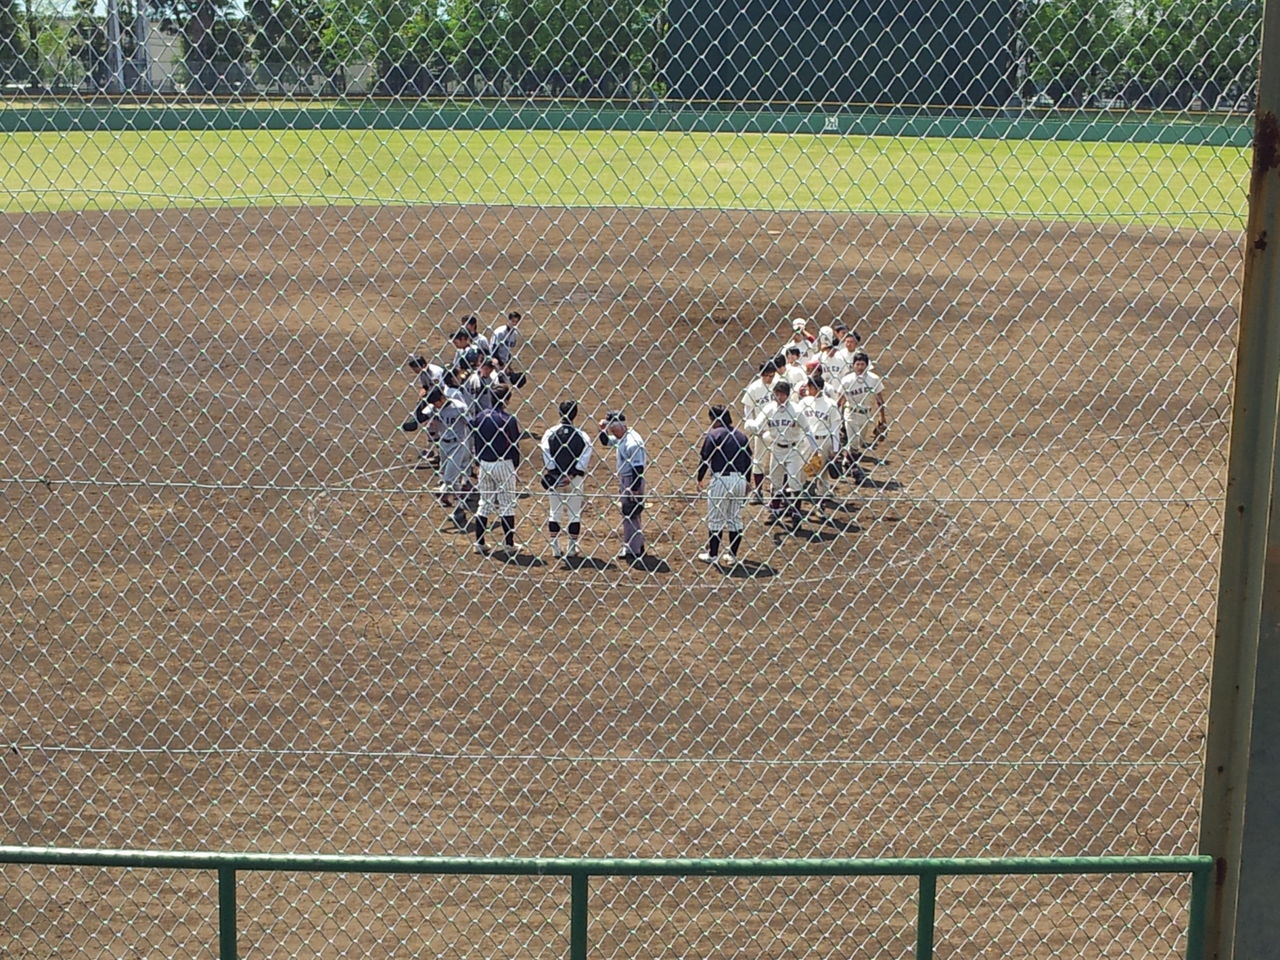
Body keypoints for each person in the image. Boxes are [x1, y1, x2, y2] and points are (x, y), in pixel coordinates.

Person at [746, 379, 819, 529]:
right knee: (775, 480)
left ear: (787, 395)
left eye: (782, 395)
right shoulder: (769, 409)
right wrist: (750, 425)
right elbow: (758, 425)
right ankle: (775, 509)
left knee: (794, 481)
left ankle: (796, 513)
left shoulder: (796, 411)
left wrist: (816, 450)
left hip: (793, 449)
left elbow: (807, 430)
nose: (779, 398)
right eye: (777, 394)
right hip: (777, 448)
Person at [695, 405, 752, 567]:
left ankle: (713, 555)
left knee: (716, 519)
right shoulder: (741, 436)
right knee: (734, 518)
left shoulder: (714, 434)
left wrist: (699, 478)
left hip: (721, 480)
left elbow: (705, 458)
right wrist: (748, 481)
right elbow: (748, 461)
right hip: (739, 479)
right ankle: (732, 555)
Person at [412, 386, 473, 530]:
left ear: (442, 398)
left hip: (458, 445)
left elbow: (472, 424)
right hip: (443, 446)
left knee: (449, 479)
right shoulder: (434, 407)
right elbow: (420, 417)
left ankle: (458, 506)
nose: (435, 406)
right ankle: (459, 504)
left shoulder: (459, 407)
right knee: (449, 478)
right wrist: (421, 402)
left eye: (436, 402)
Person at [540, 400, 593, 558]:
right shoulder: (582, 436)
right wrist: (571, 474)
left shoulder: (550, 433)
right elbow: (584, 460)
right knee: (574, 514)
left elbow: (546, 455)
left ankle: (555, 548)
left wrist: (556, 472)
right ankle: (571, 548)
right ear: (575, 415)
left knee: (554, 513)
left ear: (559, 413)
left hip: (555, 479)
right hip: (575, 480)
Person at [471, 398, 522, 556]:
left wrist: (479, 460)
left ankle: (479, 543)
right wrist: (515, 465)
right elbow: (515, 444)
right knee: (507, 503)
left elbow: (476, 439)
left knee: (484, 503)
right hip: (503, 463)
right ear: (506, 400)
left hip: (485, 462)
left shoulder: (480, 417)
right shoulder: (508, 419)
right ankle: (509, 544)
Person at [598, 410, 647, 561]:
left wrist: (634, 488)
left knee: (630, 513)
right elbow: (606, 442)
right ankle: (637, 545)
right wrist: (602, 431)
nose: (611, 432)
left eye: (612, 429)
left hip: (631, 479)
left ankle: (633, 550)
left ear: (619, 427)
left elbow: (638, 468)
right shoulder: (623, 437)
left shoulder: (632, 442)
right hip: (626, 479)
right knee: (631, 514)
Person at [837, 351, 887, 473]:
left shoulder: (874, 379)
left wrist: (882, 418)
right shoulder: (847, 380)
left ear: (866, 365)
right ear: (853, 365)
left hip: (866, 414)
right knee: (853, 441)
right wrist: (837, 419)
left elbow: (879, 399)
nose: (860, 367)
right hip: (851, 412)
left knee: (859, 442)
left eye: (862, 364)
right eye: (857, 364)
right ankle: (854, 469)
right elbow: (840, 400)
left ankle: (846, 462)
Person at [797, 376, 842, 508]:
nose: (807, 390)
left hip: (824, 441)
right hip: (806, 441)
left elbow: (835, 428)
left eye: (809, 387)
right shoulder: (804, 402)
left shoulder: (831, 405)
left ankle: (820, 505)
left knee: (822, 475)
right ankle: (796, 505)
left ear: (816, 388)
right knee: (800, 471)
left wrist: (835, 448)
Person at [741, 358, 780, 505]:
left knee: (776, 461)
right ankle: (758, 491)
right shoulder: (754, 388)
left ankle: (776, 492)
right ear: (762, 374)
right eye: (768, 375)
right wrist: (751, 424)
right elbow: (748, 409)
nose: (771, 378)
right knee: (759, 460)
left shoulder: (779, 385)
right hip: (761, 429)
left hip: (777, 430)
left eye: (772, 375)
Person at [491, 310, 527, 387]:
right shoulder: (500, 332)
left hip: (504, 363)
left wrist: (508, 366)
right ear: (508, 320)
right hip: (494, 362)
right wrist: (501, 365)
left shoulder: (514, 334)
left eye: (516, 322)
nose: (514, 324)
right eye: (513, 321)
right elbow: (493, 351)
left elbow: (508, 350)